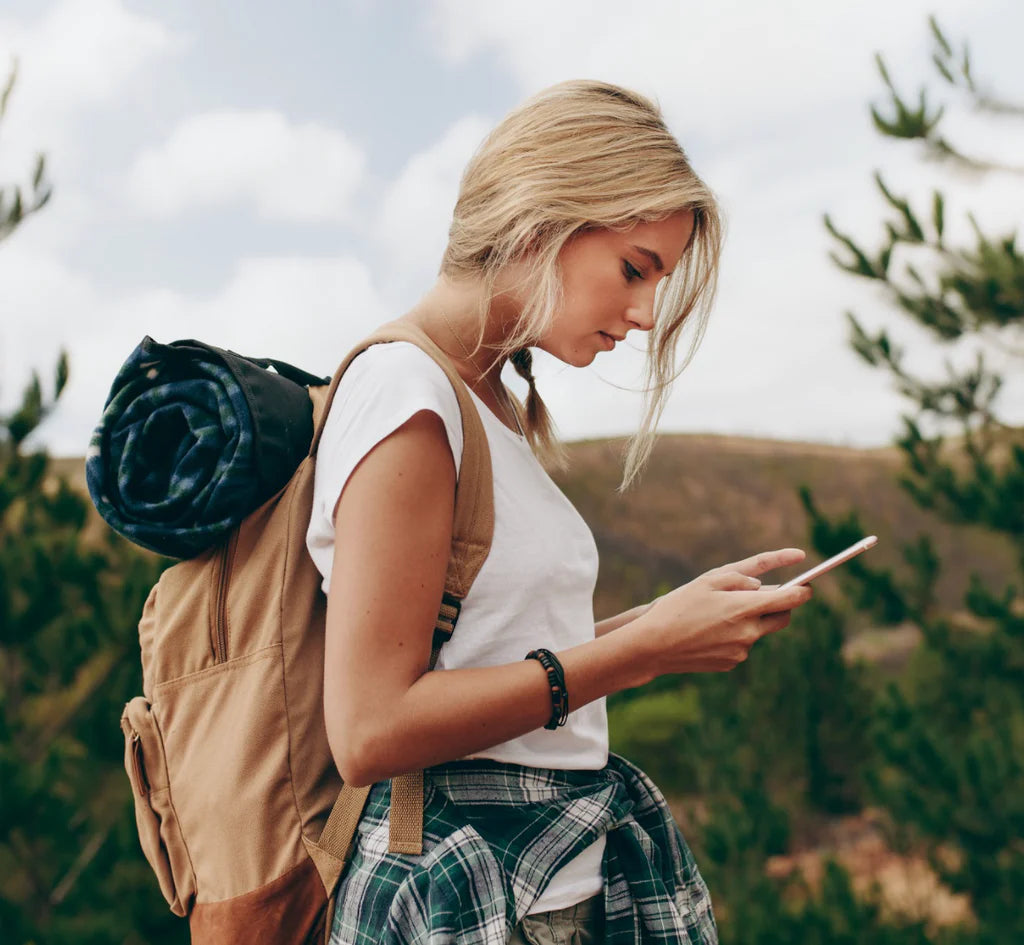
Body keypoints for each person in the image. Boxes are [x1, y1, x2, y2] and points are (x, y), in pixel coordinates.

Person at [305, 79, 812, 945]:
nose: (649, 314)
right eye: (635, 268)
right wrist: (634, 653)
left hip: (535, 884)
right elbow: (370, 727)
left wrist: (660, 625)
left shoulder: (485, 401)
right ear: (542, 219)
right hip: (468, 890)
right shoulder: (409, 396)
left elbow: (487, 650)